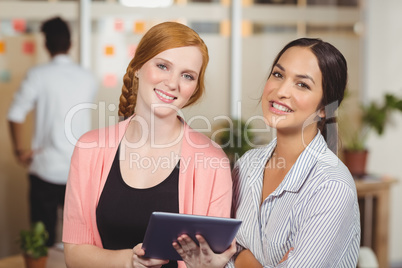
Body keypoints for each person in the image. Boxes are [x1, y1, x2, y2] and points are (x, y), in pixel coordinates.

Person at [62, 21, 235, 268]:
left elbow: (212, 258)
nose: (173, 83)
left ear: (194, 89)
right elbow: (75, 255)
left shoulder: (213, 160)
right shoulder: (89, 148)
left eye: (187, 76)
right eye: (163, 66)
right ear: (137, 68)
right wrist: (129, 261)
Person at [228, 38, 361, 267]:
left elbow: (227, 254)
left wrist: (239, 257)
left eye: (302, 85)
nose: (280, 91)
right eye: (278, 75)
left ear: (323, 108)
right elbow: (219, 248)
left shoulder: (331, 187)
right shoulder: (247, 164)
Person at [7, 16, 97, 247]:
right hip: (78, 170)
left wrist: (20, 151)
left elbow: (15, 114)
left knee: (41, 243)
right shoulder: (88, 78)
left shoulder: (38, 75)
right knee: (78, 242)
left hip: (45, 169)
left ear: (46, 44)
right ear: (71, 43)